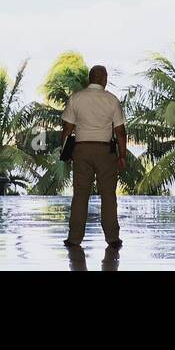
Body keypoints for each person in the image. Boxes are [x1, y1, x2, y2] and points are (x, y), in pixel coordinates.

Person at [61, 65, 127, 249]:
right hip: (105, 151)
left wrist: (65, 151)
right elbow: (120, 132)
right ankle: (112, 238)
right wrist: (122, 155)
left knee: (80, 196)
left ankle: (74, 238)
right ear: (104, 78)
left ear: (90, 79)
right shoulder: (112, 100)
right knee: (108, 196)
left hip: (81, 150)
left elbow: (67, 129)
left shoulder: (76, 98)